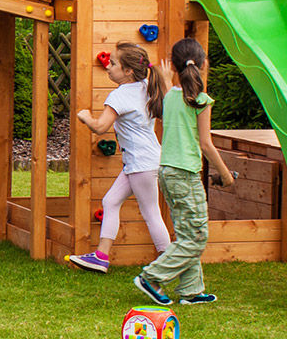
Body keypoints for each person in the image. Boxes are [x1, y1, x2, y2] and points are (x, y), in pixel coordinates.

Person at [133, 38, 238, 306]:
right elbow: (205, 143)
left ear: (177, 67)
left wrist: (167, 78)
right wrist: (225, 174)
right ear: (203, 65)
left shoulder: (171, 97)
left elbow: (171, 93)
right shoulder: (201, 100)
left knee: (186, 232)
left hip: (167, 172)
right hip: (186, 174)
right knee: (197, 236)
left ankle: (191, 291)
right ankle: (152, 277)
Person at [65, 43, 171, 273]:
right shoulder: (145, 86)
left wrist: (84, 117)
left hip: (141, 163)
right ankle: (101, 256)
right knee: (110, 201)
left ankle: (169, 262)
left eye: (113, 64)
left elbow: (101, 127)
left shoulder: (120, 95)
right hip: (141, 161)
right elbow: (158, 80)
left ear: (128, 71)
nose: (108, 68)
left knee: (151, 212)